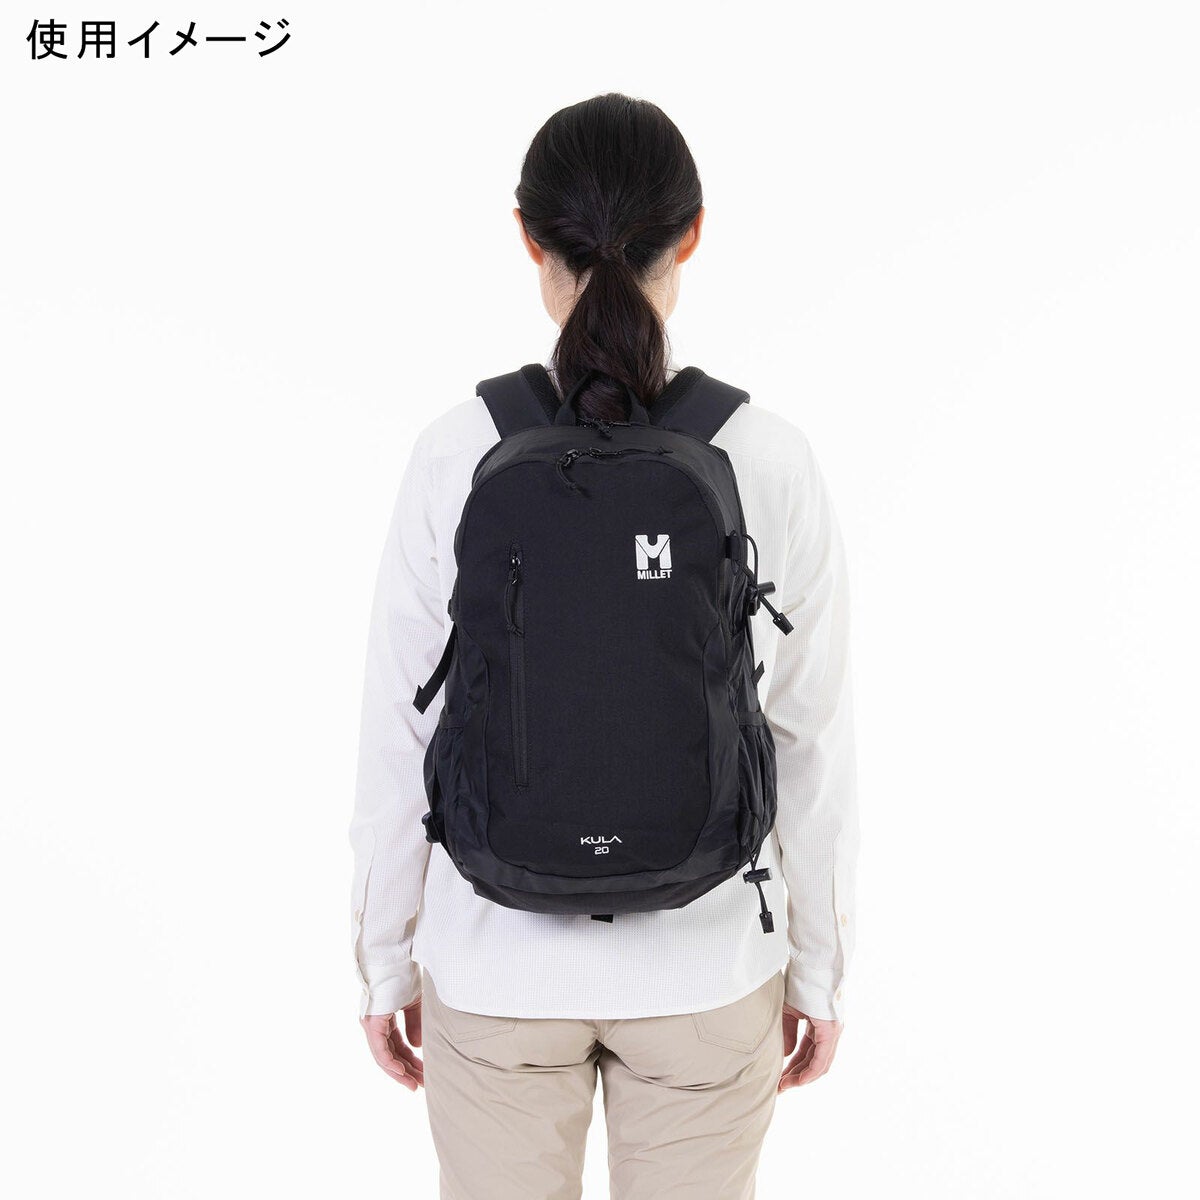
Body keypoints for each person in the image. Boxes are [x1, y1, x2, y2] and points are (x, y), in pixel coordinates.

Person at [349, 92, 859, 1200]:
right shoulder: (768, 454)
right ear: (694, 233)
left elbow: (404, 721)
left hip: (495, 966)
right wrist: (817, 968)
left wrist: (385, 958)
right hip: (707, 966)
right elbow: (808, 737)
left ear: (529, 238)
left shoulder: (457, 449)